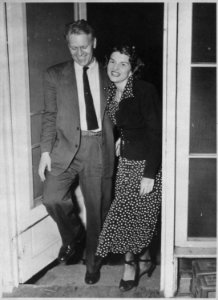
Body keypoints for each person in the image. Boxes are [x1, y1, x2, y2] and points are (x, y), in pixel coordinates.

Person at [38, 19, 115, 285]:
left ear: (94, 43)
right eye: (73, 49)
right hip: (65, 146)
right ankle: (73, 236)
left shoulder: (111, 74)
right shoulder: (54, 75)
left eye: (84, 47)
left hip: (97, 146)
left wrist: (122, 138)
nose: (80, 54)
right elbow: (49, 115)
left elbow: (127, 113)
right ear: (68, 46)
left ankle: (93, 262)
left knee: (97, 209)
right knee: (52, 197)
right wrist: (45, 152)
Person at [95, 44, 162, 291]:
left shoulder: (145, 90)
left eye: (123, 63)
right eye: (112, 61)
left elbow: (156, 132)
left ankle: (132, 265)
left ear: (133, 69)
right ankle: (141, 260)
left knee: (135, 219)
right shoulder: (111, 90)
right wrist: (125, 136)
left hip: (146, 165)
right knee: (127, 217)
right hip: (126, 163)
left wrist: (149, 174)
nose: (116, 67)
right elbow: (129, 122)